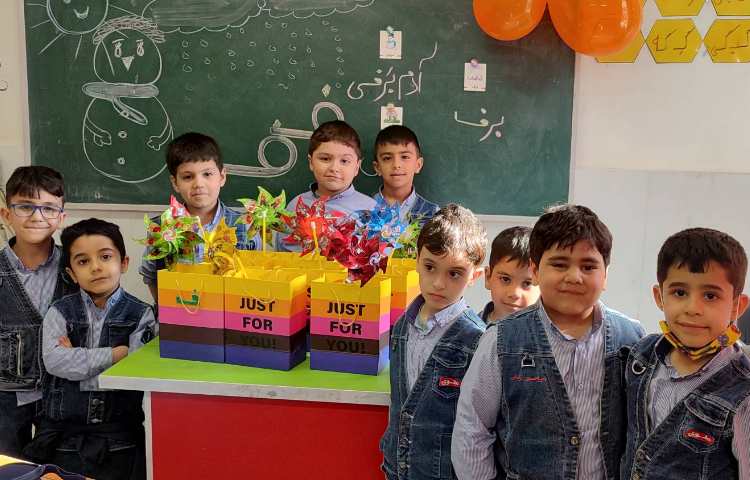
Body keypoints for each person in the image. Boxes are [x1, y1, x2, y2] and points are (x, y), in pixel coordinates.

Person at [452, 204, 645, 480]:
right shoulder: (501, 340)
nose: (574, 276)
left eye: (588, 266)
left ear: (605, 275)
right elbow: (472, 429)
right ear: (536, 269)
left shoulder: (632, 339)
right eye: (559, 264)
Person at [28, 218, 156, 480]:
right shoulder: (59, 311)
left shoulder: (141, 314)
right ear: (72, 273)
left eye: (105, 257)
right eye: (83, 261)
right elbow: (54, 362)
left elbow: (133, 372)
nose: (96, 267)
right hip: (63, 441)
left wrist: (76, 361)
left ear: (124, 263)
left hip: (120, 441)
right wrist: (116, 354)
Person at [621, 228, 750, 479]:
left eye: (710, 295)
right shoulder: (641, 357)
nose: (693, 309)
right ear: (660, 297)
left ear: (737, 305)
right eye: (679, 293)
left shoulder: (743, 391)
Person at [380, 204, 487, 479]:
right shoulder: (402, 326)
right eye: (430, 267)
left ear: (475, 276)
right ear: (417, 261)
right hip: (397, 468)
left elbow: (481, 425)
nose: (439, 283)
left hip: (443, 472)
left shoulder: (477, 339)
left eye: (454, 273)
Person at [0, 166, 76, 458]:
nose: (36, 216)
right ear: (6, 214)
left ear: (61, 217)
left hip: (62, 394)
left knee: (60, 470)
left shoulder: (75, 267)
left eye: (48, 208)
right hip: (6, 398)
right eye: (25, 207)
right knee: (10, 468)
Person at [139, 132, 260, 300]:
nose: (198, 184)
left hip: (232, 312)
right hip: (179, 313)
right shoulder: (162, 229)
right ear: (175, 183)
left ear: (222, 177)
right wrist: (166, 308)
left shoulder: (245, 227)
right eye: (188, 177)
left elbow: (257, 278)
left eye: (207, 174)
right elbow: (151, 275)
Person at [276, 120, 375, 252]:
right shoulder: (295, 207)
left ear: (357, 167)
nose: (334, 168)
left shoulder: (372, 210)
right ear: (311, 162)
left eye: (344, 161)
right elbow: (283, 255)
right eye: (325, 159)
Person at [372, 125, 439, 226]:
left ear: (418, 165)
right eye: (387, 158)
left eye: (404, 157)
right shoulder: (362, 209)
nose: (396, 165)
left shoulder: (433, 214)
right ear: (377, 167)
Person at [480, 226, 540, 324]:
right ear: (488, 277)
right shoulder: (467, 330)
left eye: (527, 283)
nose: (514, 293)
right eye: (505, 279)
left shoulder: (550, 333)